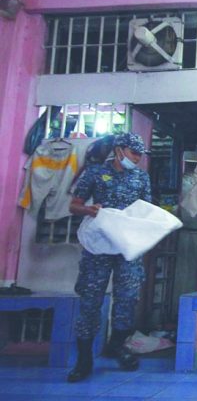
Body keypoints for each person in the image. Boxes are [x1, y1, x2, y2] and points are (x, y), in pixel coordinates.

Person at [67, 133, 152, 383]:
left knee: (128, 297)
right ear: (120, 149)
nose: (137, 158)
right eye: (133, 153)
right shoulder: (94, 172)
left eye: (140, 154)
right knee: (90, 301)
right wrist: (89, 210)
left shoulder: (140, 177)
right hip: (99, 246)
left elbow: (146, 208)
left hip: (127, 246)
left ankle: (116, 346)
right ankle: (83, 361)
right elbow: (74, 205)